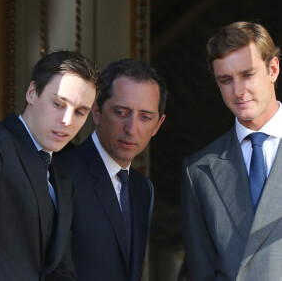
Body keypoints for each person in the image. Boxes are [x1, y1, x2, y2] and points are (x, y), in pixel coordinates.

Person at [0, 51, 99, 281]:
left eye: (79, 112)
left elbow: (59, 269)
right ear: (32, 92)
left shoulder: (63, 183)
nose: (67, 120)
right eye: (58, 104)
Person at [181, 21, 282, 281]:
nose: (238, 92)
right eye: (226, 80)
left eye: (247, 75)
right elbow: (200, 272)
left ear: (273, 69)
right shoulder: (198, 171)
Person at [56, 58, 167, 281]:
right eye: (121, 112)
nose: (132, 128)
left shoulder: (143, 188)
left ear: (157, 125)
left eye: (145, 117)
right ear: (96, 111)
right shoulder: (60, 174)